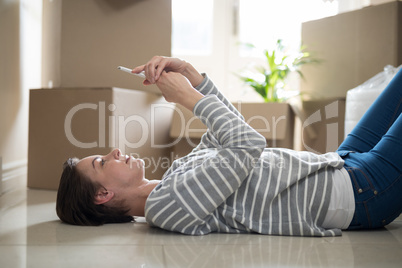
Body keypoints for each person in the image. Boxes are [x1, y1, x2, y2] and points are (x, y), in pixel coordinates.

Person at [56, 56, 402, 237]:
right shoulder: (166, 208)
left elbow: (231, 132)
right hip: (363, 193)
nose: (114, 152)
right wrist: (188, 99)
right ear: (103, 195)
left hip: (340, 164)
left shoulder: (174, 178)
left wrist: (193, 77)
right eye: (102, 161)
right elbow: (249, 143)